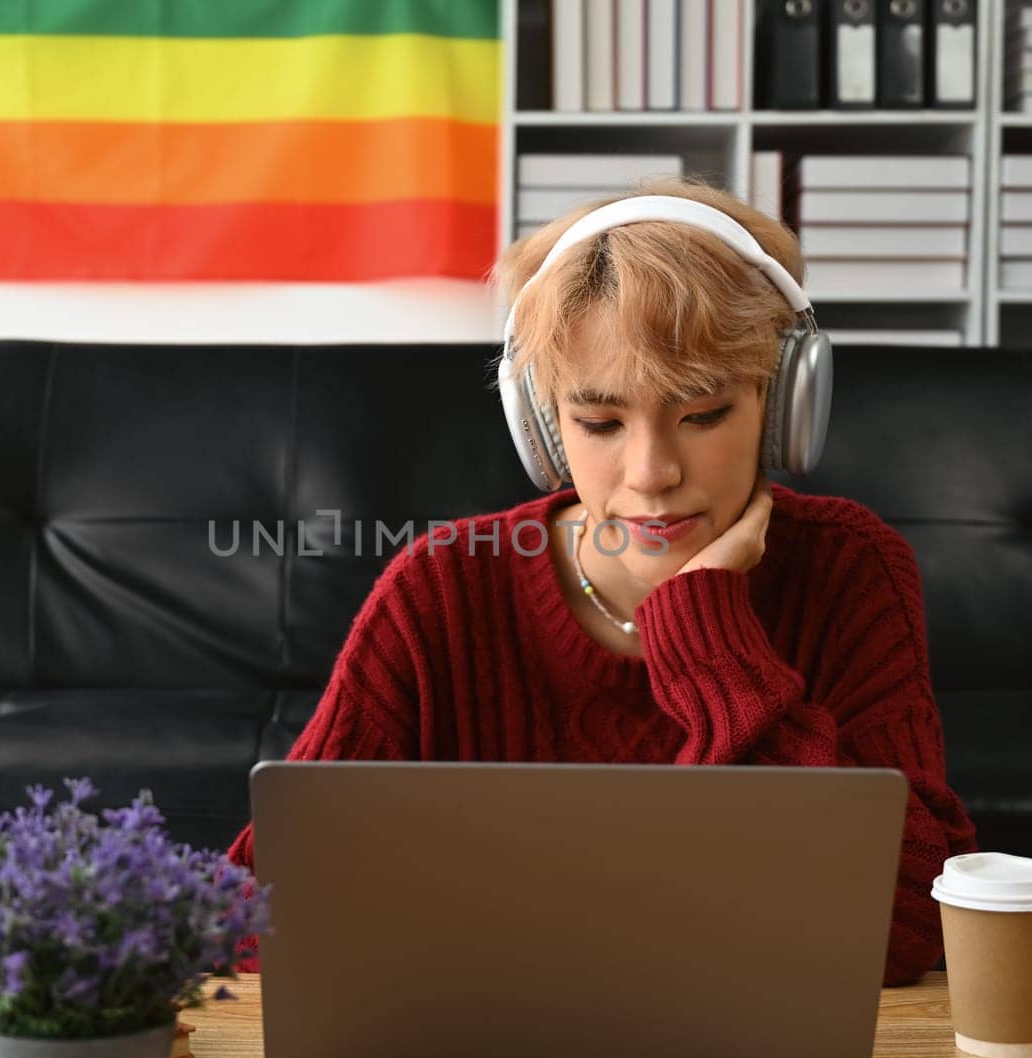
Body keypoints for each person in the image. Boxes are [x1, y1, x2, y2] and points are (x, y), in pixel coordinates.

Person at [226, 177, 978, 985]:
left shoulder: (852, 570)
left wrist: (708, 634)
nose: (651, 474)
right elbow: (245, 919)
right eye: (600, 423)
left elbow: (908, 932)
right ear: (543, 426)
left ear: (784, 403)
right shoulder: (438, 590)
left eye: (703, 414)